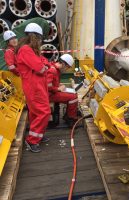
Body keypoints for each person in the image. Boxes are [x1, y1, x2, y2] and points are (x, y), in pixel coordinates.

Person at [16, 23, 51, 153]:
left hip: (37, 87)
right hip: (34, 88)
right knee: (44, 112)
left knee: (36, 113)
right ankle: (32, 140)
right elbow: (41, 68)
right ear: (35, 37)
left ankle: (38, 135)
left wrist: (44, 65)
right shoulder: (26, 50)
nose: (40, 42)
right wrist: (44, 66)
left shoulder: (30, 50)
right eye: (40, 39)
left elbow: (44, 62)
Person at [46, 54, 78, 127]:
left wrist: (59, 85)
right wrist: (58, 89)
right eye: (67, 67)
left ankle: (69, 115)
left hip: (51, 93)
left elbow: (51, 82)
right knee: (73, 97)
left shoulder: (55, 69)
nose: (66, 70)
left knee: (74, 95)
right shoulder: (52, 70)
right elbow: (47, 86)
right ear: (63, 64)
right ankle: (70, 119)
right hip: (48, 95)